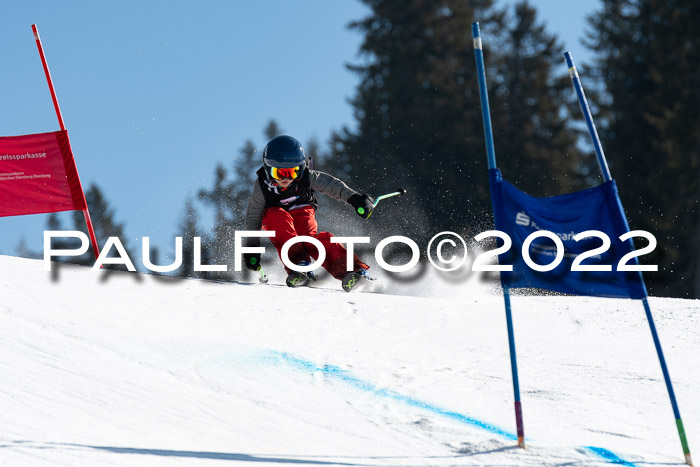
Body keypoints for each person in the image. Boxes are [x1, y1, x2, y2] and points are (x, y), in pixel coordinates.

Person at [242, 135, 374, 289]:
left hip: (302, 210)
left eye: (292, 173)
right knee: (276, 217)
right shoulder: (262, 186)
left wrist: (355, 199)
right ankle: (299, 265)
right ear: (268, 169)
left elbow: (332, 186)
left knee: (310, 240)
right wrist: (252, 248)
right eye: (279, 174)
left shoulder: (306, 177)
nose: (286, 179)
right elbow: (253, 217)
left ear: (300, 169)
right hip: (276, 216)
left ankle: (354, 270)